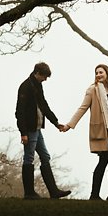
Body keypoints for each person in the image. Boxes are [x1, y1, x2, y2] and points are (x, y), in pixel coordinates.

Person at [65, 63, 108, 200]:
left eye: (101, 72)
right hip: (103, 131)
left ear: (107, 74)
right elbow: (83, 108)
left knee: (104, 160)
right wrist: (70, 125)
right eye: (96, 73)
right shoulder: (93, 90)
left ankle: (94, 195)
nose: (98, 75)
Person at [14, 61, 71, 199]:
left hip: (38, 129)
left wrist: (56, 122)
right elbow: (19, 111)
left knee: (45, 157)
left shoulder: (37, 86)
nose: (45, 79)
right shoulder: (25, 86)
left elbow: (44, 105)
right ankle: (29, 193)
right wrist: (23, 133)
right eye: (44, 76)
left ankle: (54, 192)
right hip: (30, 130)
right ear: (37, 73)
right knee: (29, 158)